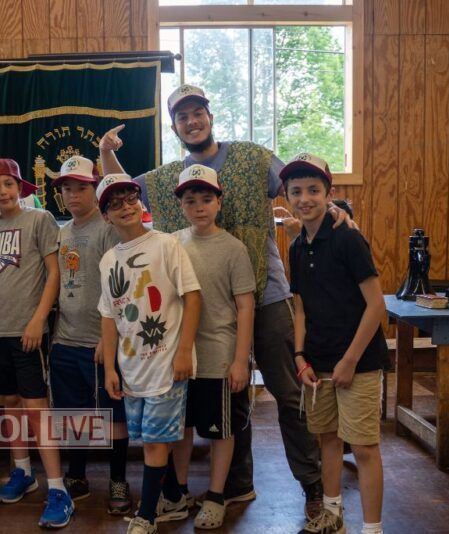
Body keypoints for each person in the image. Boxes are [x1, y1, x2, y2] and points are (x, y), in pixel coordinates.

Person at [99, 84, 326, 519]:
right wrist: (107, 153)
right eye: (182, 117)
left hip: (266, 296)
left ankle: (313, 485)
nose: (192, 122)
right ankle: (236, 485)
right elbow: (123, 191)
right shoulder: (170, 178)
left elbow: (299, 185)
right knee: (229, 394)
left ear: (210, 116)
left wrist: (332, 210)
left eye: (197, 113)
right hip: (205, 310)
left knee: (287, 394)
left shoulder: (253, 157)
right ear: (175, 127)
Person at [283, 153, 386, 534]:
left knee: (363, 447)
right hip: (317, 362)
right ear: (287, 196)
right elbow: (300, 309)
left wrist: (349, 360)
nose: (304, 198)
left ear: (329, 194)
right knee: (327, 439)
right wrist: (300, 356)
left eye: (313, 190)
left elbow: (376, 306)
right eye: (296, 191)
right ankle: (332, 515)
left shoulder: (348, 238)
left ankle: (372, 529)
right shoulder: (297, 246)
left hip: (358, 361)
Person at [97, 173, 201, 534]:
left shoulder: (166, 244)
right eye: (115, 204)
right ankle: (173, 497)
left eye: (130, 199)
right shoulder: (108, 260)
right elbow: (109, 316)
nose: (125, 207)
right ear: (106, 215)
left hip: (166, 364)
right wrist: (110, 368)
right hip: (131, 368)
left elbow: (192, 297)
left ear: (140, 203)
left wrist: (184, 351)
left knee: (155, 443)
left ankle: (146, 515)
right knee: (150, 436)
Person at [0, 158, 74, 528]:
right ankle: (22, 471)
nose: (2, 192)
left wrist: (38, 319)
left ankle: (58, 488)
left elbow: (54, 273)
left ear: (20, 188)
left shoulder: (40, 219)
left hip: (27, 330)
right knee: (10, 403)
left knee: (37, 407)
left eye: (8, 184)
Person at [172, 164, 255, 529]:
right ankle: (178, 490)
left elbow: (245, 306)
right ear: (181, 206)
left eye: (206, 199)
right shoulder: (172, 243)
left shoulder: (234, 249)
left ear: (219, 202)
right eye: (191, 200)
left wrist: (240, 361)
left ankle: (217, 494)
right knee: (181, 427)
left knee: (220, 430)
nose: (199, 207)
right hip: (180, 357)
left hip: (219, 356)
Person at [49, 156, 131, 514]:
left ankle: (118, 479)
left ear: (95, 189)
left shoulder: (108, 229)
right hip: (65, 338)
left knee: (114, 416)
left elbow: (121, 287)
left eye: (80, 188)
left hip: (100, 341)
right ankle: (77, 474)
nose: (72, 195)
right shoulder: (63, 231)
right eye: (67, 188)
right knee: (73, 413)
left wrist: (107, 337)